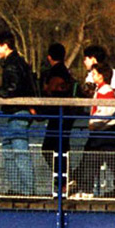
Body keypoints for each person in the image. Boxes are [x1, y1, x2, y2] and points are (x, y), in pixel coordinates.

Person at [67, 63, 115, 200]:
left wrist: (94, 122)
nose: (92, 76)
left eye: (95, 74)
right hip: (103, 130)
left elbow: (108, 110)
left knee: (108, 160)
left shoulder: (105, 91)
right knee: (96, 158)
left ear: (101, 77)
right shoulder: (101, 90)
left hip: (104, 130)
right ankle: (87, 189)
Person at [0, 30, 37, 195]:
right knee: (9, 147)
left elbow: (13, 88)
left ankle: (26, 190)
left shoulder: (12, 64)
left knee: (18, 149)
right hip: (20, 111)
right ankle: (19, 188)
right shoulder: (19, 61)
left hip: (19, 111)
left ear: (5, 45)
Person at [39, 42, 77, 193]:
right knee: (61, 148)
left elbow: (52, 93)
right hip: (67, 114)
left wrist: (41, 112)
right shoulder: (67, 72)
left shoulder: (53, 73)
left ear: (49, 57)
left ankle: (64, 180)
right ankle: (66, 179)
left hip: (57, 115)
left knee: (49, 148)